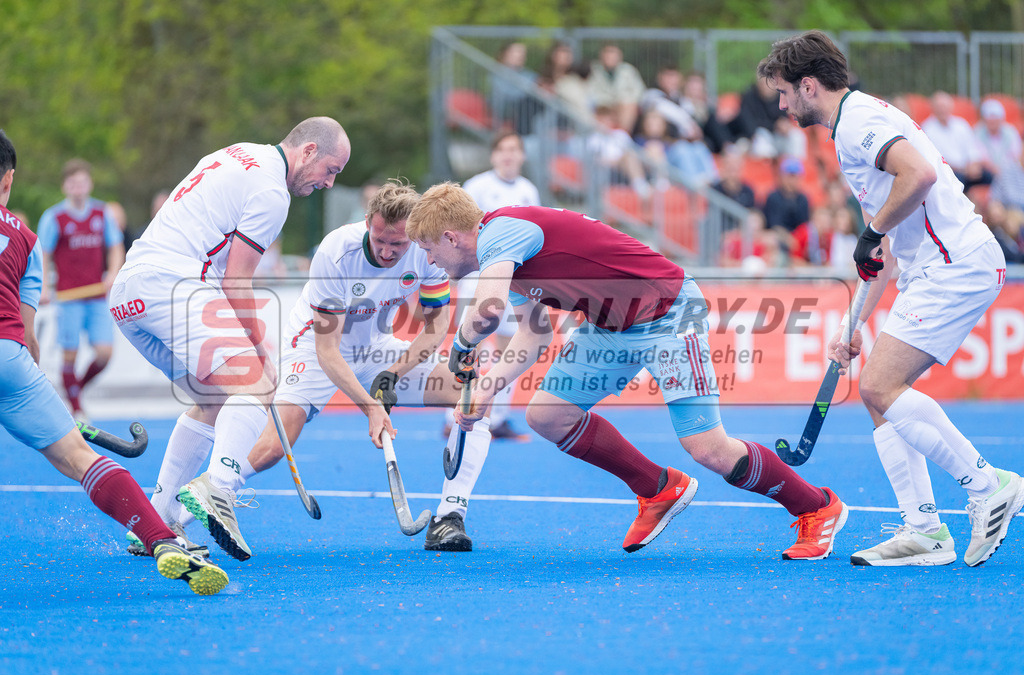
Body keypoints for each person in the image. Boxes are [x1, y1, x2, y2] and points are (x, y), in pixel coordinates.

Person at [406, 182, 849, 561]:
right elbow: (533, 336)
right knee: (547, 416)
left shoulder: (501, 234)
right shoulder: (506, 256)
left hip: (668, 312)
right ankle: (657, 488)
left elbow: (485, 310)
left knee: (708, 448)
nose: (432, 263)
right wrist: (485, 388)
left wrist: (459, 349)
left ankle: (816, 507)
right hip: (610, 326)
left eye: (429, 251)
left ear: (451, 237)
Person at [759, 30, 1023, 567]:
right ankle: (925, 531)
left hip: (955, 264)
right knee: (879, 397)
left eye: (785, 93)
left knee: (880, 385)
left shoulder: (857, 123)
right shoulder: (851, 124)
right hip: (930, 267)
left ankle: (987, 484)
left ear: (809, 86)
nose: (782, 105)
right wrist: (852, 322)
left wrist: (872, 229)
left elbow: (920, 176)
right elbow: (881, 252)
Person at [173, 181, 493, 558]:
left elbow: (436, 326)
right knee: (276, 447)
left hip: (375, 348)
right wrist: (371, 407)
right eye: (380, 240)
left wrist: (394, 374)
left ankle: (449, 517)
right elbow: (328, 351)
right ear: (367, 223)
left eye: (398, 244)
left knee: (474, 396)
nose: (389, 251)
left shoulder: (425, 250)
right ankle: (178, 514)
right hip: (312, 348)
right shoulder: (337, 252)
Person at [108, 117, 351, 555]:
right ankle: (217, 488)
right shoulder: (273, 192)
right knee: (255, 386)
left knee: (214, 401)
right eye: (331, 170)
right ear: (309, 151)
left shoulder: (239, 152)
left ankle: (157, 524)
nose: (330, 183)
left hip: (130, 293)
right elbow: (236, 281)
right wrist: (261, 352)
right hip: (171, 286)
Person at [0, 130, 228, 595]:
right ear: (8, 180)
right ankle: (161, 539)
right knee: (81, 459)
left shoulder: (80, 219)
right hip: (10, 358)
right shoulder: (24, 236)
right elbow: (24, 336)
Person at [453, 133, 541, 442]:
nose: (508, 155)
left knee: (510, 348)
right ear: (493, 156)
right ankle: (455, 415)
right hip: (479, 278)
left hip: (513, 281)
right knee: (470, 345)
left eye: (514, 150)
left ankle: (498, 417)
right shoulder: (476, 187)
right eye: (502, 149)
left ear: (522, 156)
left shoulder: (528, 191)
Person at [37, 159, 125, 420]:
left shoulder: (102, 214)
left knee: (104, 354)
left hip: (96, 296)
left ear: (90, 184)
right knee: (70, 354)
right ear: (65, 186)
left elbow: (116, 247)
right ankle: (76, 408)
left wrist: (113, 272)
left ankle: (75, 390)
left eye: (82, 182)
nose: (77, 188)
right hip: (68, 297)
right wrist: (43, 287)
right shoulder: (54, 217)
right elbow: (43, 254)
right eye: (72, 183)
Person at [921, 91, 991, 192]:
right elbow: (936, 158)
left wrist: (974, 164)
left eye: (945, 106)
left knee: (990, 177)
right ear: (933, 108)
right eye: (939, 107)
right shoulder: (927, 128)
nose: (942, 110)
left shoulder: (961, 124)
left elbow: (972, 148)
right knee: (957, 181)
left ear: (951, 107)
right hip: (948, 173)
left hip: (968, 170)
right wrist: (963, 169)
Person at [975, 98, 1024, 214]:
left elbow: (1016, 155)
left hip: (1010, 171)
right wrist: (999, 170)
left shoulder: (1010, 132)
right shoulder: (978, 132)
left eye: (995, 119)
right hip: (990, 173)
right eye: (990, 119)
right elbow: (981, 157)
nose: (993, 122)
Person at [589, 43, 646, 135]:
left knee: (628, 105)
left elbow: (639, 92)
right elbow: (590, 93)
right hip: (602, 106)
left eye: (613, 54)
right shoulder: (594, 70)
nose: (610, 57)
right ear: (601, 56)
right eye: (607, 53)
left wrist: (620, 102)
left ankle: (622, 136)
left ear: (620, 56)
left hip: (623, 106)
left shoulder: (628, 71)